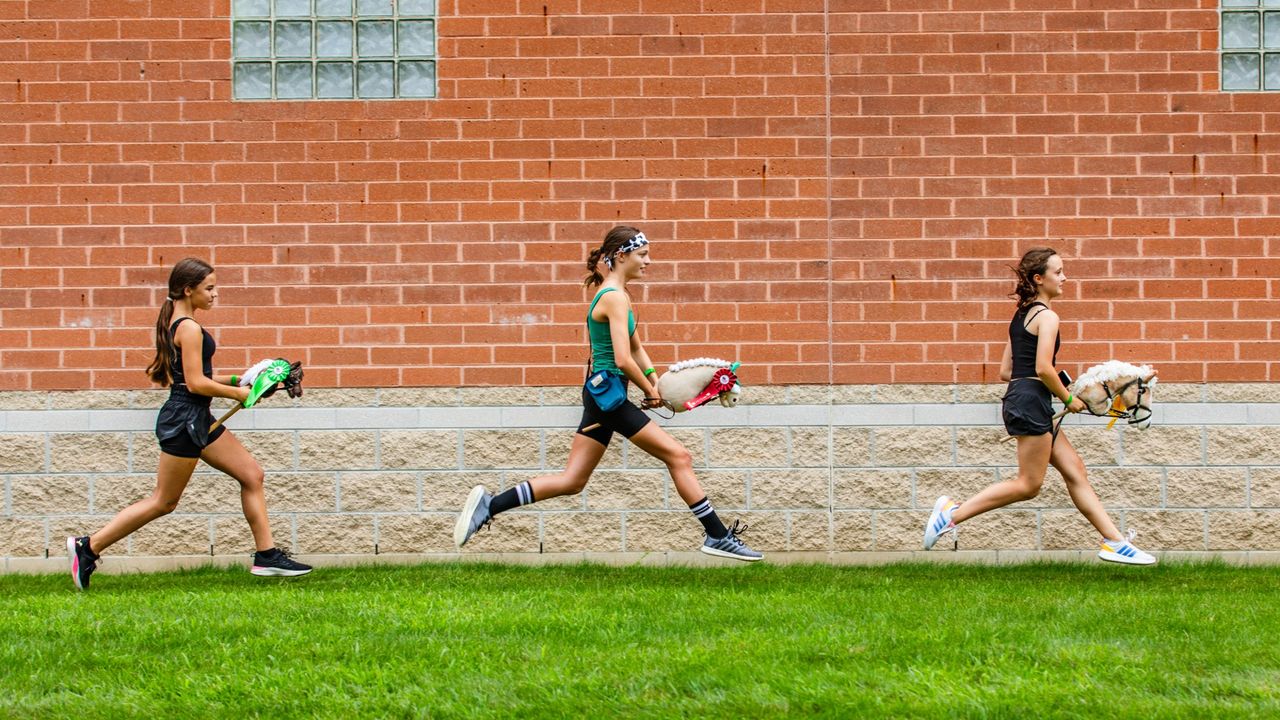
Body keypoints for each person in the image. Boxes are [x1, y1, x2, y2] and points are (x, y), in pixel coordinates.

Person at [454, 226, 762, 561]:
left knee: (573, 480)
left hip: (603, 395)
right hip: (610, 396)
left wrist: (654, 383)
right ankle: (716, 535)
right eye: (642, 254)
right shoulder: (614, 297)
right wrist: (649, 391)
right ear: (622, 255)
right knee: (679, 456)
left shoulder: (618, 294)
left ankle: (490, 504)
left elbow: (638, 349)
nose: (648, 260)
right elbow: (621, 358)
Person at [67, 257, 312, 589]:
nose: (214, 294)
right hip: (185, 420)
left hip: (195, 415)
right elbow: (196, 384)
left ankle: (266, 556)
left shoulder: (181, 324)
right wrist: (239, 395)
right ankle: (88, 546)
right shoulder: (189, 328)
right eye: (208, 288)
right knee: (163, 501)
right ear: (188, 289)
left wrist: (246, 378)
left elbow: (193, 379)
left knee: (252, 474)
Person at [922, 247, 1155, 565]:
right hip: (1031, 402)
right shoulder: (1048, 317)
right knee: (1028, 484)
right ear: (1038, 278)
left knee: (1076, 471)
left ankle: (1114, 542)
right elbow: (1043, 367)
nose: (1064, 278)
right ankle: (951, 514)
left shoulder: (1021, 315)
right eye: (1058, 272)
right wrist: (1068, 398)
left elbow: (1008, 371)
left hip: (1024, 398)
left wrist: (1054, 386)